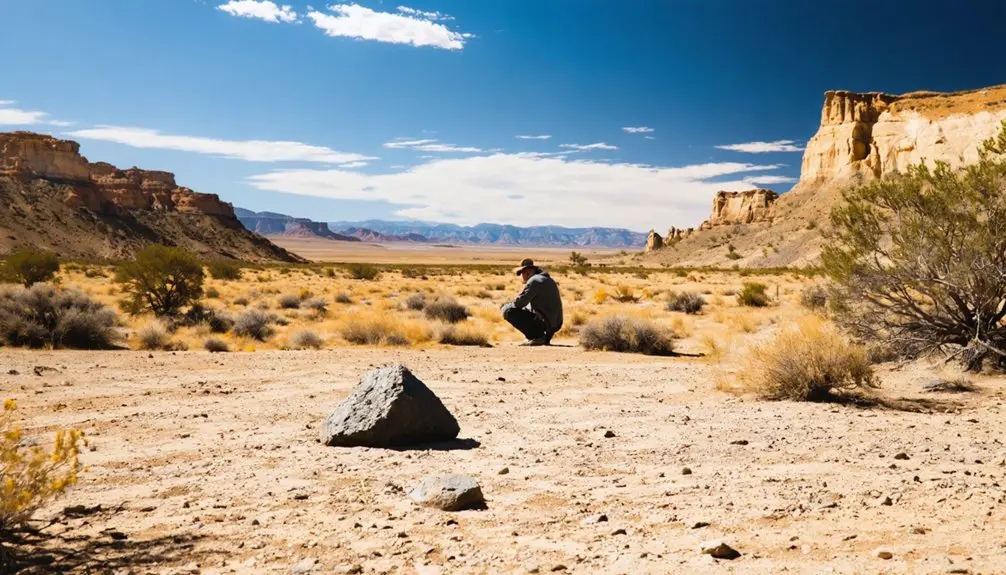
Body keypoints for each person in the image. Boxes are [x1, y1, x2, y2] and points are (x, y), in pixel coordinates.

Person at [501, 258, 563, 346]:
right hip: (555, 323)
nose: (522, 276)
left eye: (522, 273)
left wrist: (505, 306)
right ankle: (544, 338)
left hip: (546, 322)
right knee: (526, 309)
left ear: (528, 272)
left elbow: (520, 303)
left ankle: (537, 337)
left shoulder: (534, 281)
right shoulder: (547, 279)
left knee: (508, 311)